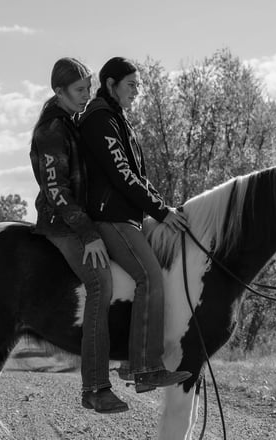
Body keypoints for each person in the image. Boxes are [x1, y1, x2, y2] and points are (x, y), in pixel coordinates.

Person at [78, 57, 192, 393]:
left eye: (138, 85)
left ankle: (135, 359)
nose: (137, 91)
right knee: (149, 275)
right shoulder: (100, 119)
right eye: (131, 84)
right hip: (110, 217)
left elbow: (138, 177)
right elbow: (122, 175)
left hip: (127, 216)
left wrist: (164, 206)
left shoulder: (119, 121)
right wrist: (161, 211)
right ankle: (144, 367)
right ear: (111, 84)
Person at [31, 57, 128, 414]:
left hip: (81, 219)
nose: (86, 96)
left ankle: (135, 358)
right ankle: (95, 387)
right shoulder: (51, 131)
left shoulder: (71, 121)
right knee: (101, 283)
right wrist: (89, 234)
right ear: (59, 91)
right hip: (61, 223)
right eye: (79, 90)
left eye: (88, 88)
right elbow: (56, 190)